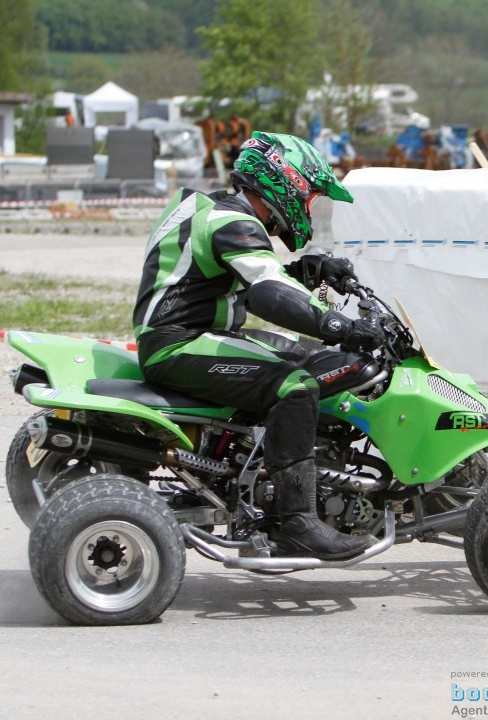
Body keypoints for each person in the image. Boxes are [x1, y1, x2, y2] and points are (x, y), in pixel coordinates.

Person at [132, 131, 383, 559]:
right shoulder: (233, 222)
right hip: (180, 344)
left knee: (316, 357)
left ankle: (276, 460)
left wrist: (307, 271)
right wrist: (339, 324)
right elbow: (266, 292)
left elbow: (239, 274)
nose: (308, 209)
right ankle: (297, 523)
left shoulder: (215, 209)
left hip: (193, 334)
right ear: (285, 182)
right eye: (308, 197)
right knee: (296, 385)